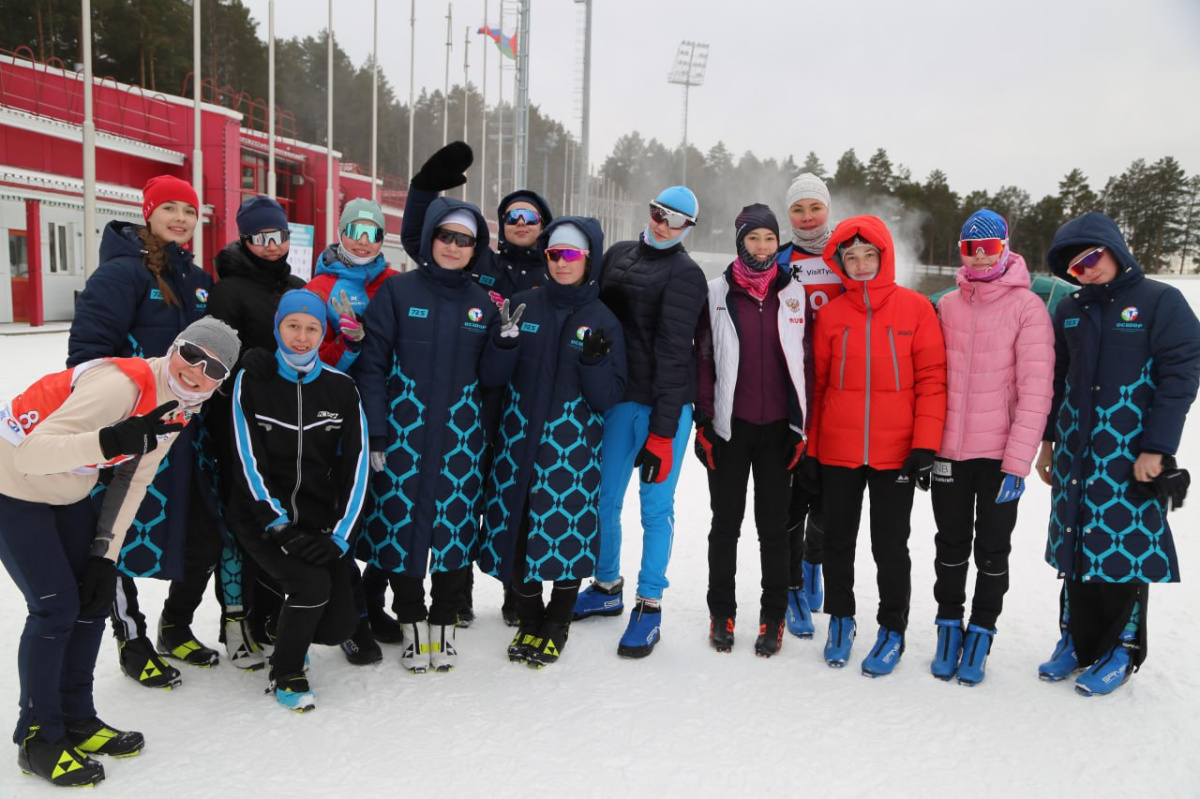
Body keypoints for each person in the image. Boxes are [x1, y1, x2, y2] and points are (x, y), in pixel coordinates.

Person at [0, 319, 240, 786]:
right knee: (55, 608)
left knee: (93, 601)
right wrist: (109, 440)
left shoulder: (179, 407)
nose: (196, 371)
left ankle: (78, 718)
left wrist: (104, 555)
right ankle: (38, 738)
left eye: (213, 368)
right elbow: (30, 454)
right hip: (12, 485)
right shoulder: (119, 387)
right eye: (191, 354)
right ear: (173, 348)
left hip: (67, 490)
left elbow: (135, 479)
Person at [68, 174, 228, 689]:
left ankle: (175, 625)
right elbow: (87, 358)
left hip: (187, 436)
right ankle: (131, 638)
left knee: (203, 534)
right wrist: (118, 422)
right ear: (149, 211)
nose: (180, 218)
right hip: (133, 430)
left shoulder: (198, 279)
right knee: (116, 537)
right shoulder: (121, 274)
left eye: (189, 210)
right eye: (170, 208)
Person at [1034, 212, 1200, 696]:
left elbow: (1181, 377)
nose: (1086, 269)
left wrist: (1158, 448)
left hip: (1128, 453)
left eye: (1092, 257)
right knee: (1076, 544)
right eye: (1075, 266)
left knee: (1123, 551)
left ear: (1114, 248)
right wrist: (1048, 442)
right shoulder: (1068, 309)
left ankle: (1120, 649)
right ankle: (1074, 639)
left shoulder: (1160, 301)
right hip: (1075, 452)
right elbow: (1057, 381)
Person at [400, 141, 556, 629]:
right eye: (513, 215)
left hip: (528, 401)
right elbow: (418, 239)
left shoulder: (556, 269)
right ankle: (459, 592)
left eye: (531, 216)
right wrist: (424, 187)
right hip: (474, 400)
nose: (522, 223)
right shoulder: (481, 262)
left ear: (543, 225)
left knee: (518, 499)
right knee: (463, 495)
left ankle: (516, 591)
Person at [356, 197, 502, 673]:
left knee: (455, 530)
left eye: (465, 240)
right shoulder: (397, 293)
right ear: (431, 239)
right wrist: (376, 432)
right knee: (401, 529)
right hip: (403, 437)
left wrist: (506, 345)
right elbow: (372, 366)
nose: (454, 247)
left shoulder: (484, 306)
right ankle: (411, 620)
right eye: (446, 236)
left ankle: (445, 622)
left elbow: (494, 382)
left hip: (462, 441)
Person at [476, 217, 626, 668]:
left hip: (571, 448)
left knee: (564, 535)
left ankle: (557, 621)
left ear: (588, 259)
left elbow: (608, 398)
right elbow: (491, 379)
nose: (563, 263)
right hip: (517, 441)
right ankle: (529, 618)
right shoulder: (523, 306)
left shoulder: (603, 318)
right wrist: (501, 346)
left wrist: (596, 364)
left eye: (572, 255)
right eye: (555, 254)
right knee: (518, 533)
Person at [803, 215, 947, 677]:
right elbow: (819, 387)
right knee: (838, 540)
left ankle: (892, 629)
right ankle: (841, 620)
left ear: (884, 257)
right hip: (839, 452)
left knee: (890, 546)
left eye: (869, 255)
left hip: (897, 454)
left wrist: (925, 445)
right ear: (841, 262)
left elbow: (932, 381)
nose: (861, 264)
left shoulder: (917, 309)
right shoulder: (831, 314)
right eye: (851, 257)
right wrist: (812, 452)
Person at [571, 186, 709, 659]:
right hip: (620, 400)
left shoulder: (687, 275)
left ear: (688, 227)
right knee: (603, 497)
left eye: (674, 220)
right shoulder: (619, 254)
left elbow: (677, 357)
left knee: (655, 507)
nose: (662, 224)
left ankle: (649, 606)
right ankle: (607, 584)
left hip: (663, 406)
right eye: (657, 213)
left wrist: (664, 434)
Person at [929, 209, 1054, 685]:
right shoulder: (947, 306)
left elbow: (1035, 390)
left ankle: (981, 631)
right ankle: (947, 624)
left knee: (992, 550)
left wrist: (1017, 462)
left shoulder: (1027, 309)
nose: (980, 258)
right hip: (949, 453)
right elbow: (932, 379)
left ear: (1005, 248)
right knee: (950, 544)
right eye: (970, 249)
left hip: (1000, 456)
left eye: (989, 248)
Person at [228, 290, 369, 711]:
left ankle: (283, 621)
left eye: (312, 329)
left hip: (317, 521)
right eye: (293, 326)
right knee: (309, 586)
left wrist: (340, 538)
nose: (302, 337)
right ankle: (287, 671)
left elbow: (358, 466)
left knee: (338, 622)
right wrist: (277, 525)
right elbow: (244, 459)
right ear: (278, 329)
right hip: (260, 517)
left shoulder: (341, 388)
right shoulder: (252, 380)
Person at [694, 204, 811, 657]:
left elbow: (806, 364)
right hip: (730, 430)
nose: (761, 247)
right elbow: (703, 358)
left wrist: (801, 428)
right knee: (725, 526)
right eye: (752, 238)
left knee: (774, 529)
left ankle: (773, 616)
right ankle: (721, 612)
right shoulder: (717, 292)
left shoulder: (794, 294)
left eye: (768, 239)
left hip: (778, 431)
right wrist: (704, 420)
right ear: (739, 241)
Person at [206, 194, 306, 671]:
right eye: (262, 238)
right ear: (246, 239)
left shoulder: (296, 286)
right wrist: (239, 361)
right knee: (238, 519)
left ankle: (269, 610)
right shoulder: (229, 290)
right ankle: (233, 617)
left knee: (279, 516)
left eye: (280, 237)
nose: (272, 246)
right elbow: (212, 356)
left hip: (287, 424)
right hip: (237, 422)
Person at [305, 197, 401, 665]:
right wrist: (344, 343)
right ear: (339, 232)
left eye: (373, 232)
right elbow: (305, 359)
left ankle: (375, 601)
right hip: (335, 422)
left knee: (387, 516)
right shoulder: (321, 286)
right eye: (355, 230)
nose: (363, 240)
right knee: (339, 520)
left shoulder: (396, 285)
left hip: (391, 417)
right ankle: (353, 619)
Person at [776, 173, 842, 637]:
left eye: (813, 208)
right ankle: (794, 583)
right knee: (793, 492)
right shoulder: (780, 257)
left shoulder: (848, 252)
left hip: (842, 388)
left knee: (830, 493)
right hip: (792, 388)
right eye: (798, 209)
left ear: (827, 210)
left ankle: (815, 559)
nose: (806, 217)